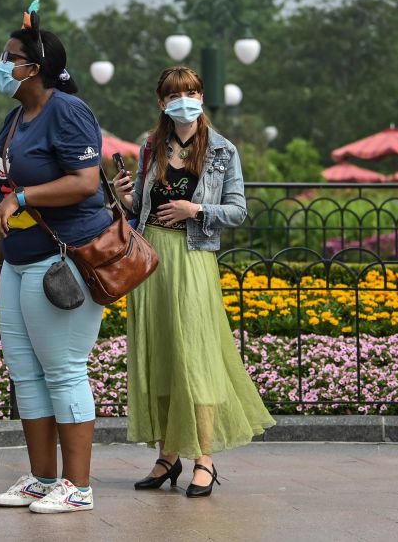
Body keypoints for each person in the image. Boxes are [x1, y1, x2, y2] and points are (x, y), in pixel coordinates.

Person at [111, 66, 274, 497]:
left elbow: (238, 210)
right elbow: (137, 209)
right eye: (175, 94)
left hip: (194, 257)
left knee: (196, 357)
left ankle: (204, 458)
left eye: (193, 92)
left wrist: (195, 210)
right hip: (152, 261)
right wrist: (123, 194)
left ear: (201, 97)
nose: (185, 100)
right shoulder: (151, 147)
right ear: (162, 103)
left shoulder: (222, 150)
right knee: (161, 356)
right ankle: (167, 457)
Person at [0, 0, 110, 515]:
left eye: (10, 56)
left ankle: (77, 487)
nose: (2, 63)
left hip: (63, 261)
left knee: (64, 371)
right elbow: (3, 193)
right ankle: (41, 478)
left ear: (34, 68)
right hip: (17, 262)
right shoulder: (16, 117)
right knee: (26, 373)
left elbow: (84, 181)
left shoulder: (68, 110)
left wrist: (25, 199)